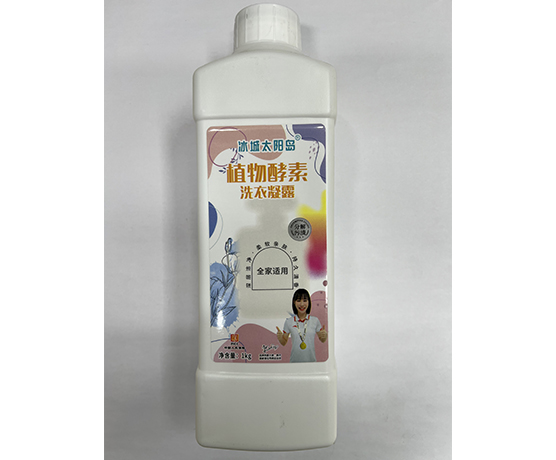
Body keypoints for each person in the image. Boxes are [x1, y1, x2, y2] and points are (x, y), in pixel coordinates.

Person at [276, 288, 327, 363]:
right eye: (298, 300)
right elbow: (284, 342)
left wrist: (324, 336)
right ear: (294, 302)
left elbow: (322, 340)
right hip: (294, 362)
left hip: (311, 362)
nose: (302, 304)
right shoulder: (289, 321)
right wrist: (280, 338)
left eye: (305, 300)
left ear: (309, 302)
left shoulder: (315, 320)